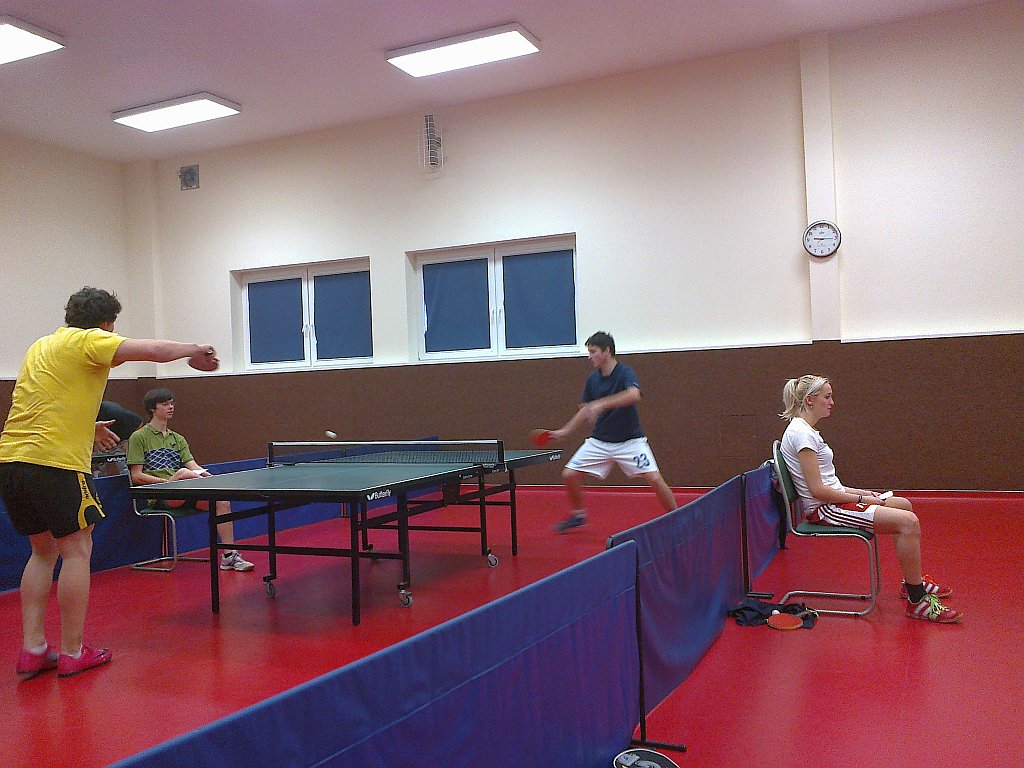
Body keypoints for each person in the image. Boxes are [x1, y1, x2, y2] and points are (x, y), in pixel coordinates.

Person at [0, 286, 222, 679]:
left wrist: (88, 427)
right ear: (105, 323)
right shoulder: (90, 340)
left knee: (42, 552)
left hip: (12, 460)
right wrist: (194, 349)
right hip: (56, 464)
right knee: (77, 551)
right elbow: (151, 350)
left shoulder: (41, 347)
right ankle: (72, 652)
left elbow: (42, 404)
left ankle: (32, 650)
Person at [779, 375, 962, 624]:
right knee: (908, 522)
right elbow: (818, 490)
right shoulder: (802, 435)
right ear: (810, 400)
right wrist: (859, 497)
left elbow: (831, 484)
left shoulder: (806, 431)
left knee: (904, 505)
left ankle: (911, 583)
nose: (832, 402)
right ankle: (917, 600)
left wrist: (865, 494)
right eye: (827, 397)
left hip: (833, 501)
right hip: (825, 509)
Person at [549, 331, 677, 532]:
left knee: (654, 478)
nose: (589, 356)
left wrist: (602, 404)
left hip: (630, 442)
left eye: (593, 352)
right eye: (589, 352)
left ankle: (677, 517)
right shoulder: (592, 379)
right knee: (569, 474)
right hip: (600, 442)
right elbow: (587, 409)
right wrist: (565, 431)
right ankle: (578, 515)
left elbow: (634, 395)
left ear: (607, 351)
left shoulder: (625, 373)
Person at [127, 388, 254, 573]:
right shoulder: (139, 437)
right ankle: (183, 482)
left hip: (182, 490)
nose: (171, 407)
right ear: (153, 408)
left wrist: (213, 480)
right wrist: (169, 483)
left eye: (172, 403)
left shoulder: (177, 439)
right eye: (165, 404)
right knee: (183, 473)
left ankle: (229, 556)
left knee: (221, 501)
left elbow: (194, 467)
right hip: (160, 494)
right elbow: (136, 476)